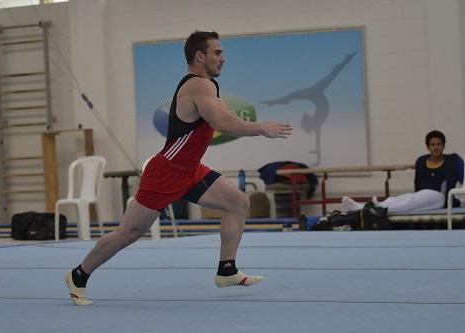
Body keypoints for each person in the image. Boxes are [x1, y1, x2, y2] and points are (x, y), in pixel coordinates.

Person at [64, 31, 293, 305]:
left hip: (190, 169)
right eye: (217, 53)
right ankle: (79, 275)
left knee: (237, 202)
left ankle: (227, 269)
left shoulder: (207, 86)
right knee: (129, 233)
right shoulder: (198, 85)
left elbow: (223, 117)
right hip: (167, 172)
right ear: (200, 56)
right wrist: (261, 128)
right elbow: (224, 123)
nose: (223, 58)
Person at [262, 53, 356, 166]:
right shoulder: (316, 124)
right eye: (305, 120)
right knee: (332, 75)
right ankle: (346, 60)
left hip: (314, 94)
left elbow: (317, 142)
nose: (305, 116)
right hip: (315, 93)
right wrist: (318, 159)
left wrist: (318, 160)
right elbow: (318, 142)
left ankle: (272, 103)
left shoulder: (316, 123)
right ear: (308, 122)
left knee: (291, 97)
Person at [342, 130, 464, 213]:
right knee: (400, 199)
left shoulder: (453, 160)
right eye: (433, 144)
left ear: (444, 146)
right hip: (422, 197)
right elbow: (418, 184)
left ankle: (380, 208)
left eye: (439, 144)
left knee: (412, 200)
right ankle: (363, 207)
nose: (436, 147)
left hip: (442, 199)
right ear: (428, 146)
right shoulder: (421, 161)